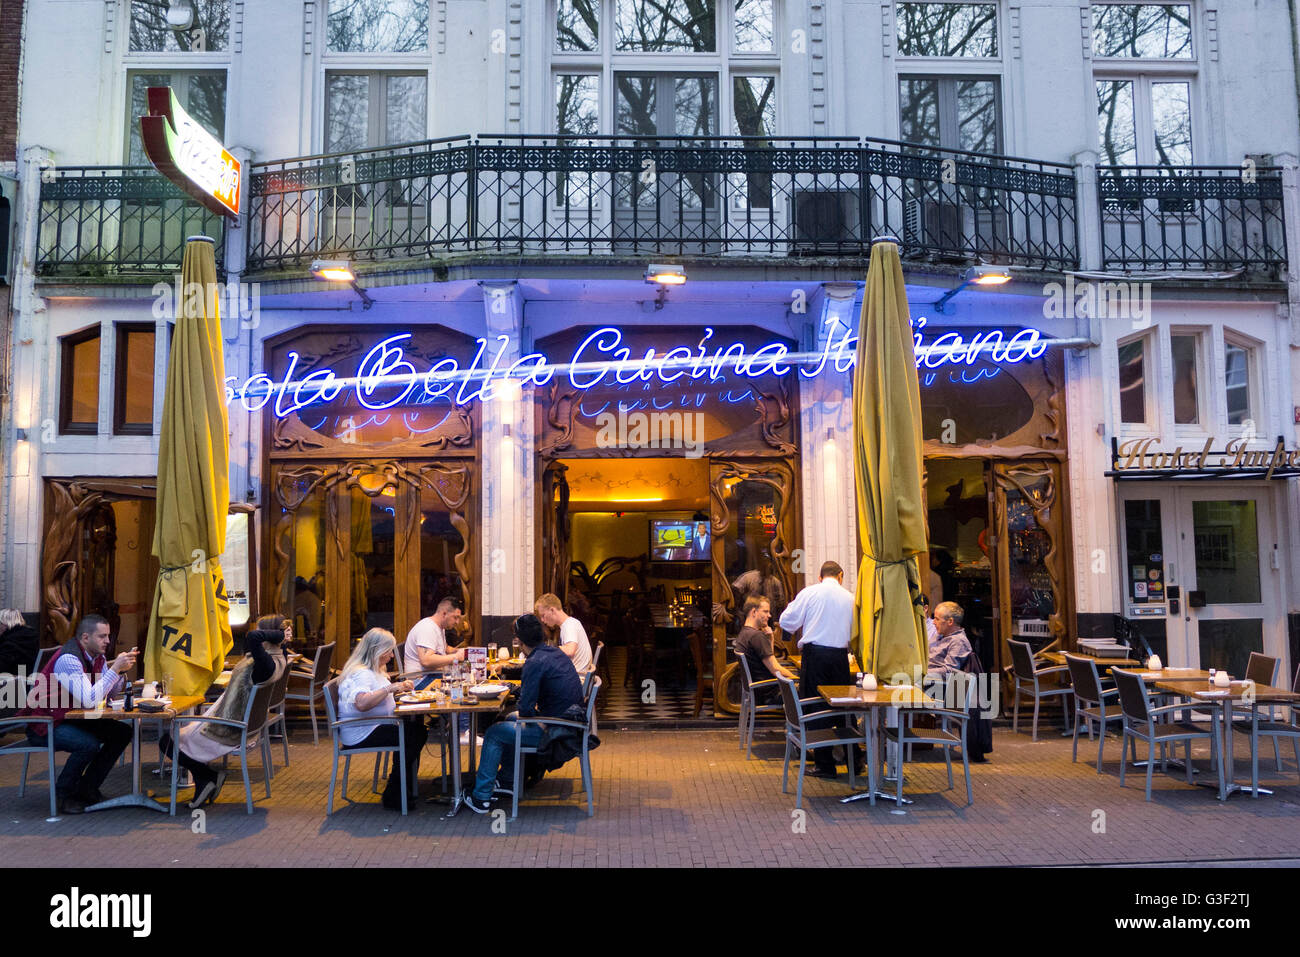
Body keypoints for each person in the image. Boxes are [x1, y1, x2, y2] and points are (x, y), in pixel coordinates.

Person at [159, 624, 290, 808]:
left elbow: (253, 637)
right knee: (178, 734)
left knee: (167, 741)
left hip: (227, 730)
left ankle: (206, 777)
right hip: (242, 726)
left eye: (262, 630)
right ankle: (207, 777)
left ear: (268, 637)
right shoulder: (278, 659)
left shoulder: (265, 666)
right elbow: (254, 638)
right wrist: (282, 640)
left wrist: (279, 634)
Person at [464, 614, 583, 814]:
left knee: (494, 732)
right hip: (569, 724)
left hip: (557, 734)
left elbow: (527, 711)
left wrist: (517, 697)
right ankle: (508, 781)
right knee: (510, 719)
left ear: (519, 640)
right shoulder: (554, 653)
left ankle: (481, 798)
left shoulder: (534, 662)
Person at [21, 615, 136, 814]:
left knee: (121, 733)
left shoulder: (97, 656)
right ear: (85, 637)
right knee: (87, 745)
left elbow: (106, 692)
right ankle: (63, 795)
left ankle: (87, 789)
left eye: (108, 636)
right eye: (102, 636)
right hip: (44, 723)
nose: (108, 641)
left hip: (69, 717)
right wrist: (115, 668)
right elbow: (90, 700)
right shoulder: (69, 659)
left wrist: (120, 674)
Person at [778, 561, 861, 778]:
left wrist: (789, 634)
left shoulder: (810, 593)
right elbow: (856, 630)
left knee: (816, 709)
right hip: (840, 659)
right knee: (844, 707)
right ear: (840, 576)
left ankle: (825, 765)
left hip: (815, 657)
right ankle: (855, 761)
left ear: (820, 576)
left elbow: (787, 620)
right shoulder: (850, 597)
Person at [337, 628, 427, 810]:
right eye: (389, 651)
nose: (392, 656)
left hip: (371, 725)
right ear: (377, 650)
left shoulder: (370, 670)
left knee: (415, 730)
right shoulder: (362, 673)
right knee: (414, 734)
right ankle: (396, 793)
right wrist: (390, 689)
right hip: (361, 731)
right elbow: (361, 703)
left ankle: (401, 789)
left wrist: (396, 688)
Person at [733, 596, 795, 704]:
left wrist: (770, 638)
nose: (769, 615)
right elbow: (776, 669)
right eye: (765, 611)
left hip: (760, 691)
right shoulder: (756, 636)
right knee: (811, 692)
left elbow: (768, 659)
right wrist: (797, 679)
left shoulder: (744, 633)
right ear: (754, 612)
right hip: (770, 693)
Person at [403, 598, 467, 679]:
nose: (457, 622)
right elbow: (426, 660)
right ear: (444, 614)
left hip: (433, 674)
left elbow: (444, 648)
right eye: (455, 617)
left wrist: (459, 651)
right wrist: (456, 657)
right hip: (420, 680)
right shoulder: (427, 628)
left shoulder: (440, 627)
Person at [534, 593, 593, 674]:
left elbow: (570, 651)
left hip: (576, 679)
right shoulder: (570, 623)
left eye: (543, 615)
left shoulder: (569, 625)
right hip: (575, 676)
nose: (543, 620)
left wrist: (546, 648)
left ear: (552, 610)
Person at [926, 601, 973, 678]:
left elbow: (949, 671)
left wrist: (922, 673)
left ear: (950, 621)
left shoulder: (958, 641)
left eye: (937, 619)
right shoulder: (940, 635)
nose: (933, 622)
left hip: (934, 684)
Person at [0, 608, 38, 676]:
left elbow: (2, 667)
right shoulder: (30, 635)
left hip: (14, 682)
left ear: (6, 623)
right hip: (26, 677)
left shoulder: (11, 642)